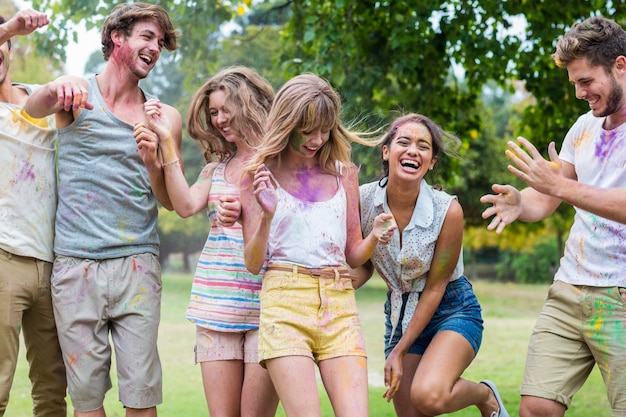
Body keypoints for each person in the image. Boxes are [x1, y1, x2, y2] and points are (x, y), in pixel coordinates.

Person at [24, 3, 181, 416]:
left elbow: (169, 200)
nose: (156, 48)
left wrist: (154, 160)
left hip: (137, 267)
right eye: (147, 37)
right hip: (76, 268)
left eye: (160, 42)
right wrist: (60, 83)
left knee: (141, 399)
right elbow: (32, 108)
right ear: (117, 37)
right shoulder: (77, 96)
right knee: (88, 402)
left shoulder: (164, 117)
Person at [480, 15, 626, 417]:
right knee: (536, 409)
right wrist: (520, 203)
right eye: (574, 84)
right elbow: (547, 197)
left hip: (622, 298)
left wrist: (559, 187)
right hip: (569, 290)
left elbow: (565, 189)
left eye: (586, 82)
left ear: (620, 65)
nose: (580, 93)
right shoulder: (584, 128)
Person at [238, 73, 396, 417]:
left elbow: (352, 252)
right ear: (287, 123)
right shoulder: (259, 175)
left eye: (324, 129)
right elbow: (253, 262)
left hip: (339, 302)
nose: (317, 139)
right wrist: (265, 215)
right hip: (284, 300)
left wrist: (375, 237)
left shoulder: (345, 174)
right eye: (307, 130)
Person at [141, 66, 279, 417]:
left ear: (247, 105)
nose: (218, 119)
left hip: (271, 308)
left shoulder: (281, 163)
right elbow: (185, 205)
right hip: (217, 307)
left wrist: (253, 212)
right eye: (213, 112)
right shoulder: (216, 169)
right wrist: (165, 144)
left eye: (225, 110)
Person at [355, 113, 509, 417]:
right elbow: (364, 261)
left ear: (432, 161)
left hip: (452, 308)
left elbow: (436, 287)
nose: (413, 150)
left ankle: (484, 394)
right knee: (411, 412)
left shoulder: (447, 210)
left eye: (423, 146)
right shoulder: (362, 200)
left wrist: (397, 351)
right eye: (404, 142)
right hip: (401, 311)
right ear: (386, 151)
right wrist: (340, 280)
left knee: (429, 396)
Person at [0, 9, 67, 417]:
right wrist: (9, 27)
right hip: (3, 260)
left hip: (51, 264)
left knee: (52, 391)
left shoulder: (37, 100)